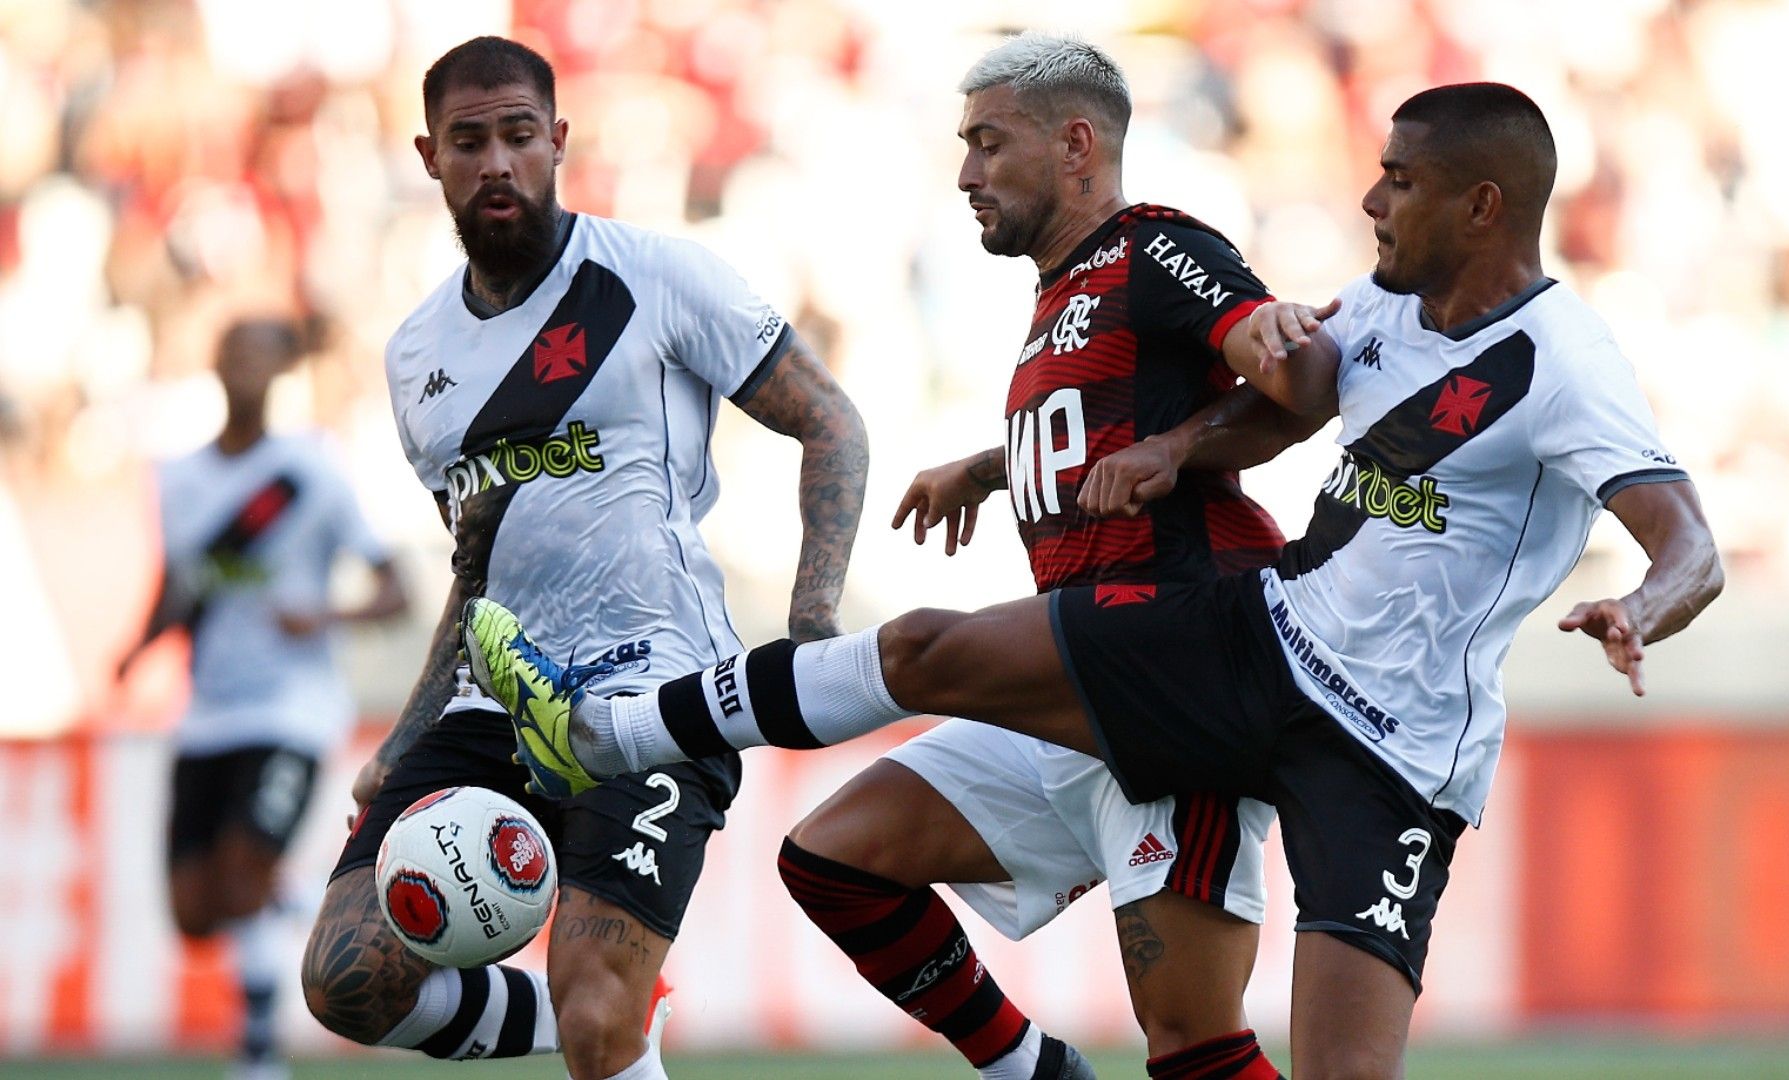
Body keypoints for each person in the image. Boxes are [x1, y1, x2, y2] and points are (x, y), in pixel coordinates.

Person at [468, 81, 1724, 1078]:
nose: (1369, 199)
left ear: (1485, 205)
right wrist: (1173, 445)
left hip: (1394, 750)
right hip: (1260, 642)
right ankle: (612, 730)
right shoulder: (1387, 310)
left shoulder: (1563, 362)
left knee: (1287, 1058)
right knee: (924, 653)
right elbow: (1284, 410)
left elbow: (1689, 548)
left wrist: (1637, 609)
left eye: (1399, 181)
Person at [297, 37, 868, 1080]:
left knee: (603, 1023)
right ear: (430, 156)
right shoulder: (415, 355)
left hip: (651, 694)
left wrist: (815, 616)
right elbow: (476, 572)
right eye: (470, 142)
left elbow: (830, 420)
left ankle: (604, 1011)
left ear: (558, 140)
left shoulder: (653, 275)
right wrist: (409, 731)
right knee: (346, 983)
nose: (498, 163)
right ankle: (594, 1008)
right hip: (496, 704)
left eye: (520, 135)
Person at [779, 32, 1328, 1080]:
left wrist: (1185, 441)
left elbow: (1294, 376)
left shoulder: (1154, 246)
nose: (966, 172)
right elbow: (1114, 425)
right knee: (833, 857)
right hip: (1074, 693)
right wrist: (990, 469)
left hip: (1173, 687)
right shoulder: (1064, 288)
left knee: (1195, 1046)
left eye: (989, 143)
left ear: (1078, 142)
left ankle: (645, 726)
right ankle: (1032, 1068)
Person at [117, 317, 409, 1080]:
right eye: (234, 350)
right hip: (207, 712)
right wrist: (138, 648)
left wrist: (325, 615)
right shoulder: (175, 477)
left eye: (261, 352)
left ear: (281, 368)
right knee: (193, 913)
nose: (246, 365)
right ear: (213, 364)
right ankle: (300, 894)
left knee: (240, 873)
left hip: (292, 709)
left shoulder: (308, 473)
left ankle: (258, 1056)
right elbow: (182, 584)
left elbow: (395, 589)